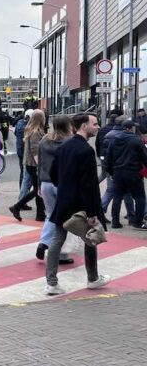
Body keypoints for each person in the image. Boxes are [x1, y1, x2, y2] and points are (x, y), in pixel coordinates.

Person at [45, 113, 110, 295]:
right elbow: (89, 184)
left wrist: (64, 187)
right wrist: (91, 212)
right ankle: (93, 278)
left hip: (64, 201)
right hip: (82, 204)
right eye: (95, 124)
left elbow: (53, 174)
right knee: (91, 239)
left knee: (57, 240)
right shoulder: (87, 151)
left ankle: (51, 282)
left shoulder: (63, 148)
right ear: (83, 126)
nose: (97, 127)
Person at [36, 115, 75, 264]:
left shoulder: (44, 140)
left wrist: (39, 184)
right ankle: (61, 253)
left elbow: (40, 165)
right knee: (66, 218)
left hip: (46, 182)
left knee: (50, 215)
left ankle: (43, 242)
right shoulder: (70, 141)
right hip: (63, 184)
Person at [105, 119, 147, 229]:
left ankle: (115, 222)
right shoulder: (136, 140)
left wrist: (110, 172)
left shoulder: (113, 140)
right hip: (133, 172)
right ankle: (137, 222)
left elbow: (108, 158)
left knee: (117, 197)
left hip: (118, 172)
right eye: (134, 127)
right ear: (130, 128)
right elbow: (145, 157)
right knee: (140, 197)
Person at [9, 110, 46, 222]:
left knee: (38, 189)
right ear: (40, 118)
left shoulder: (33, 130)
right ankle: (17, 206)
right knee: (38, 189)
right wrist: (40, 166)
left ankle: (40, 214)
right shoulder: (35, 132)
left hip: (31, 164)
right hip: (33, 164)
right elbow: (35, 151)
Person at [100, 116, 136, 223]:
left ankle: (128, 215)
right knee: (123, 193)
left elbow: (101, 148)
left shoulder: (107, 134)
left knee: (114, 191)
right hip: (122, 168)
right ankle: (131, 215)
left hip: (111, 166)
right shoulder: (124, 137)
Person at [15, 110, 31, 192]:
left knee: (22, 171)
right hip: (25, 151)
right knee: (26, 173)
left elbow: (15, 133)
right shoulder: (28, 126)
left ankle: (22, 189)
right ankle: (24, 191)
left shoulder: (19, 123)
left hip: (19, 149)